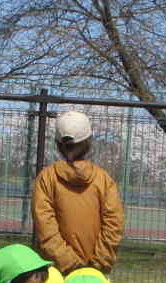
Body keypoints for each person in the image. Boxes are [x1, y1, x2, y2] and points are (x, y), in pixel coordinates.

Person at [31, 110, 124, 274]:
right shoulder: (104, 180)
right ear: (88, 142)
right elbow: (113, 226)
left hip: (55, 273)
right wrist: (97, 265)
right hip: (95, 273)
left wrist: (70, 264)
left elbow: (45, 229)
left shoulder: (46, 178)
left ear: (58, 144)